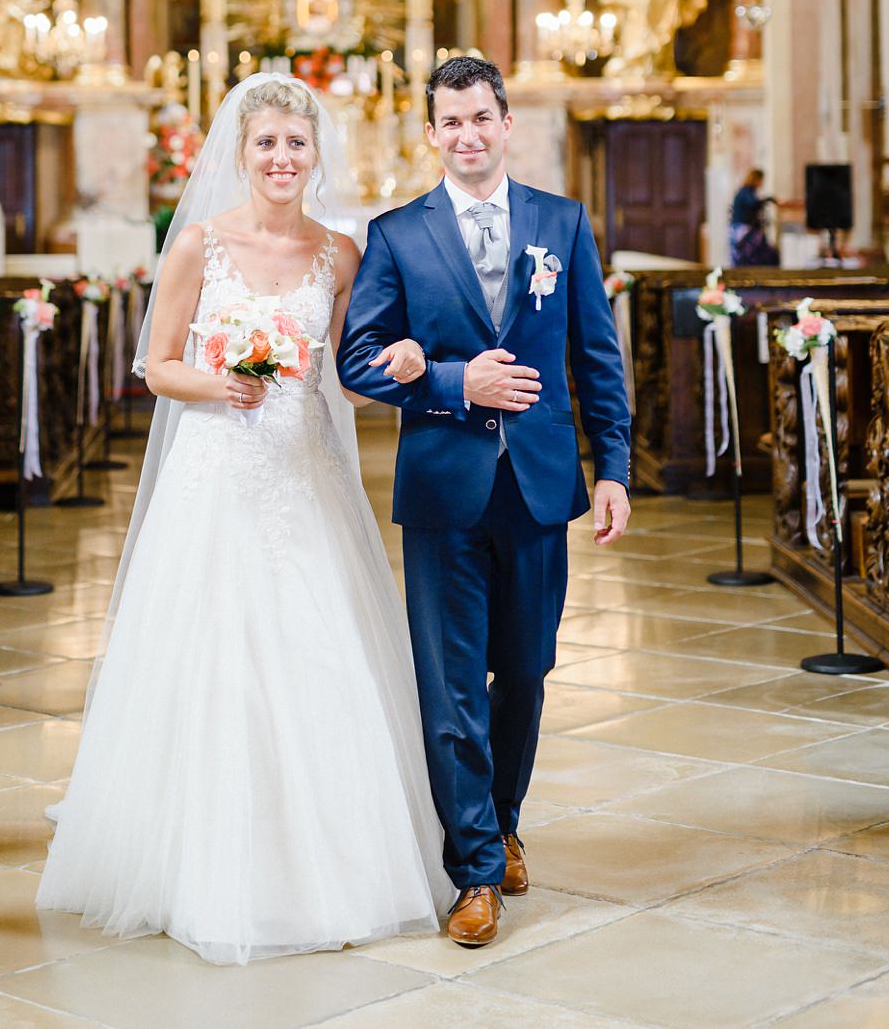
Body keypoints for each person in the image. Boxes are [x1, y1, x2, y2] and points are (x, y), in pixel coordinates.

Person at [37, 74, 454, 963]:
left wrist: (404, 362)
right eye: (266, 142)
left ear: (315, 154)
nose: (281, 158)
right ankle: (200, 863)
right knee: (211, 658)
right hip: (216, 472)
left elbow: (348, 375)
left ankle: (336, 862)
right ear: (241, 151)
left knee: (320, 650)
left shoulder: (342, 254)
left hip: (305, 474)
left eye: (296, 144)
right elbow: (156, 365)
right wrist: (218, 383)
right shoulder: (199, 244)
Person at [337, 54, 632, 949]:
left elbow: (596, 354)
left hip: (539, 482)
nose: (466, 134)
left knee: (527, 669)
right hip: (443, 485)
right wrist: (455, 381)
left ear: (507, 124)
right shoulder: (397, 235)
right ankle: (473, 867)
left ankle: (503, 821)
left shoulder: (562, 222)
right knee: (452, 682)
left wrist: (613, 466)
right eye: (450, 121)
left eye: (480, 117)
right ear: (430, 134)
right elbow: (357, 360)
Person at [729, 168, 779, 266]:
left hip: (743, 228)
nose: (762, 183)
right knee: (747, 256)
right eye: (761, 180)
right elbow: (753, 203)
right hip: (742, 229)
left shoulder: (747, 191)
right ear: (756, 179)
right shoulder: (746, 191)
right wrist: (769, 199)